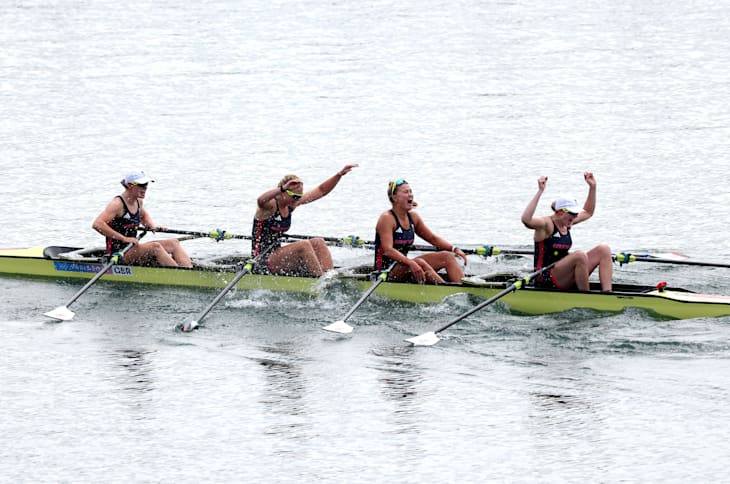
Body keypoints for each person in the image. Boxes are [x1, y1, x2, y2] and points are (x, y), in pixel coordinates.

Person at [251, 164, 358, 276]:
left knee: (318, 242)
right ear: (284, 191)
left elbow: (321, 191)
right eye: (294, 196)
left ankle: (329, 277)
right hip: (261, 259)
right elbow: (260, 200)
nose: (296, 200)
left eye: (299, 197)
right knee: (303, 245)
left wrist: (339, 175)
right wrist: (282, 188)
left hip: (278, 255)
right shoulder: (271, 205)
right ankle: (319, 281)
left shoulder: (291, 204)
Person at [520, 172, 612, 292]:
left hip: (564, 276)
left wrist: (592, 187)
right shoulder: (546, 225)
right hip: (545, 279)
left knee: (604, 249)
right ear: (560, 212)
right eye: (572, 214)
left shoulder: (567, 222)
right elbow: (526, 219)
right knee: (580, 255)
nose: (574, 217)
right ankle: (586, 296)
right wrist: (540, 191)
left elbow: (588, 212)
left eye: (575, 214)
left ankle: (608, 293)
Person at [374, 178, 467, 284]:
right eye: (405, 192)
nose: (410, 195)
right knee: (419, 262)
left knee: (447, 256)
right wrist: (411, 263)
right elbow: (388, 250)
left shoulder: (413, 217)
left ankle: (464, 289)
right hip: (385, 271)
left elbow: (432, 238)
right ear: (395, 198)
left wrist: (454, 249)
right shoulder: (387, 218)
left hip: (405, 265)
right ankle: (446, 291)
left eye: (410, 191)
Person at [92, 171, 193, 267]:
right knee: (155, 247)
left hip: (133, 248)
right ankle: (179, 275)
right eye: (141, 185)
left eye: (146, 185)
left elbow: (143, 216)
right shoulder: (117, 204)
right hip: (118, 253)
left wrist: (152, 226)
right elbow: (97, 224)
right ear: (130, 185)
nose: (145, 188)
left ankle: (188, 271)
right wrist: (124, 239)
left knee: (173, 243)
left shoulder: (138, 202)